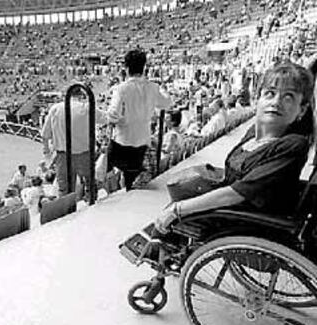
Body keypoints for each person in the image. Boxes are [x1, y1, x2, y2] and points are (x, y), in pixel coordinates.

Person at [154, 62, 314, 235]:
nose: (276, 102)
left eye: (288, 97)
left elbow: (238, 193)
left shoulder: (293, 144)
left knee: (173, 213)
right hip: (234, 209)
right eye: (270, 93)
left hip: (248, 222)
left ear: (302, 110)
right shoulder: (253, 132)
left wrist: (179, 209)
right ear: (257, 98)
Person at [107, 49, 172, 190]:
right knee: (131, 175)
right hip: (142, 141)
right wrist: (162, 88)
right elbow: (167, 103)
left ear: (126, 68)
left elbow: (113, 115)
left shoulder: (121, 89)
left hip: (122, 142)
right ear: (144, 67)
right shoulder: (153, 88)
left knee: (103, 167)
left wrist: (122, 120)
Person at [41, 89, 106, 197]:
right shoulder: (86, 107)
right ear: (81, 96)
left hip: (63, 155)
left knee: (65, 190)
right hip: (84, 154)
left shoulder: (55, 108)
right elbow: (106, 118)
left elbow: (45, 134)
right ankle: (91, 203)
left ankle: (69, 212)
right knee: (90, 185)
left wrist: (47, 151)